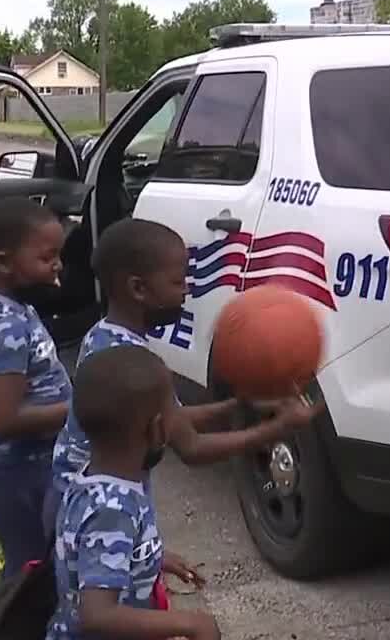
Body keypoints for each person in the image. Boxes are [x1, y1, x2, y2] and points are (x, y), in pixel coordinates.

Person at [43, 217, 324, 538]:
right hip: (98, 518)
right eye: (178, 282)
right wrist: (276, 428)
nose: (187, 290)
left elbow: (170, 416)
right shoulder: (133, 362)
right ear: (138, 288)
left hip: (76, 498)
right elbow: (191, 447)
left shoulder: (103, 335)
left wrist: (239, 404)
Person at [47, 343, 221, 640]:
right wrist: (189, 624)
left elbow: (91, 552)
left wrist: (154, 557)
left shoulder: (91, 478)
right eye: (174, 414)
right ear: (157, 429)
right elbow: (97, 615)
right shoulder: (113, 509)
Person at [0, 196, 73, 579]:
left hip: (32, 465)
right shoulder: (3, 328)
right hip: (14, 474)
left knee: (47, 557)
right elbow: (7, 419)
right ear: (4, 262)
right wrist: (81, 408)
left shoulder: (15, 308)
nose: (57, 265)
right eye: (47, 258)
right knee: (29, 568)